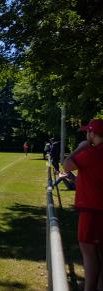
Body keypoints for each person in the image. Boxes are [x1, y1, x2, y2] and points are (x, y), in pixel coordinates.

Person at [62, 119, 103, 291]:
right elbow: (93, 181)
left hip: (92, 210)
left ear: (92, 134)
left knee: (88, 253)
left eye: (88, 132)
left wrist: (81, 147)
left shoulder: (92, 153)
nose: (86, 135)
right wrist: (73, 179)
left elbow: (66, 165)